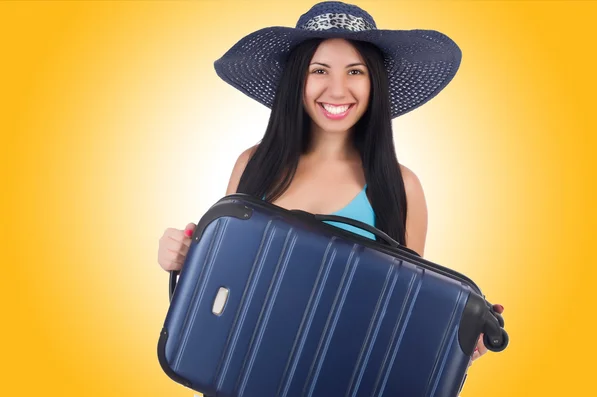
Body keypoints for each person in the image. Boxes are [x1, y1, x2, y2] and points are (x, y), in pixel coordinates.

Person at [158, 0, 504, 373]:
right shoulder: (253, 165)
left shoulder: (402, 188)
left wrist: (458, 349)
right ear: (296, 80)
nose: (337, 90)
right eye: (319, 70)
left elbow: (400, 318)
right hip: (238, 372)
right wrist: (180, 260)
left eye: (355, 71)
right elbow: (220, 286)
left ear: (375, 82)